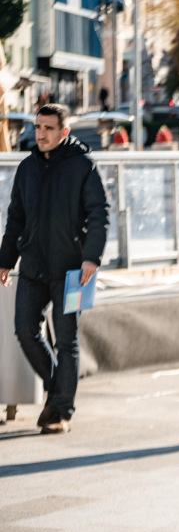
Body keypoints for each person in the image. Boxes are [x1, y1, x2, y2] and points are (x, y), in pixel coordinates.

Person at [0, 104, 109, 434]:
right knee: (24, 329)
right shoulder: (27, 168)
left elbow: (99, 214)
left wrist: (91, 256)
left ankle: (61, 411)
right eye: (37, 127)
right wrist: (5, 261)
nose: (41, 134)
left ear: (64, 132)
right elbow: (15, 218)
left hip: (73, 270)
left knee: (67, 341)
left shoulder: (83, 166)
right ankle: (58, 390)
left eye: (48, 128)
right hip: (32, 265)